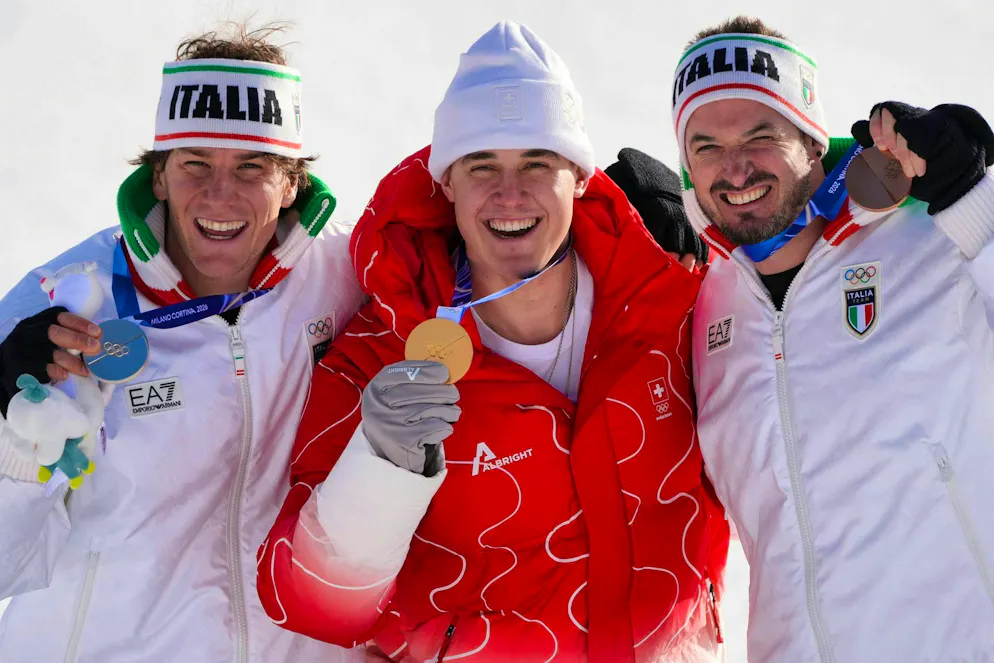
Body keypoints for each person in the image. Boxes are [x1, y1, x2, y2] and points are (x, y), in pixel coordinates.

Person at [257, 21, 729, 663]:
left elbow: (798, 257)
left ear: (581, 177)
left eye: (538, 163)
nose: (511, 194)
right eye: (482, 166)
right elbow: (307, 601)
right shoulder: (377, 354)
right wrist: (382, 468)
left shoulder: (673, 305)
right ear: (446, 182)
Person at [0, 26, 365, 663]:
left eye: (252, 168)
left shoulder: (349, 275)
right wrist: (11, 431)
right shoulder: (68, 303)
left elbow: (493, 262)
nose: (219, 194)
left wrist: (592, 201)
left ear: (291, 185)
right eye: (196, 163)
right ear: (160, 177)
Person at [672, 16, 994, 663]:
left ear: (813, 139)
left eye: (761, 134)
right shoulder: (704, 305)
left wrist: (974, 198)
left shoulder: (931, 240)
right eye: (705, 146)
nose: (734, 168)